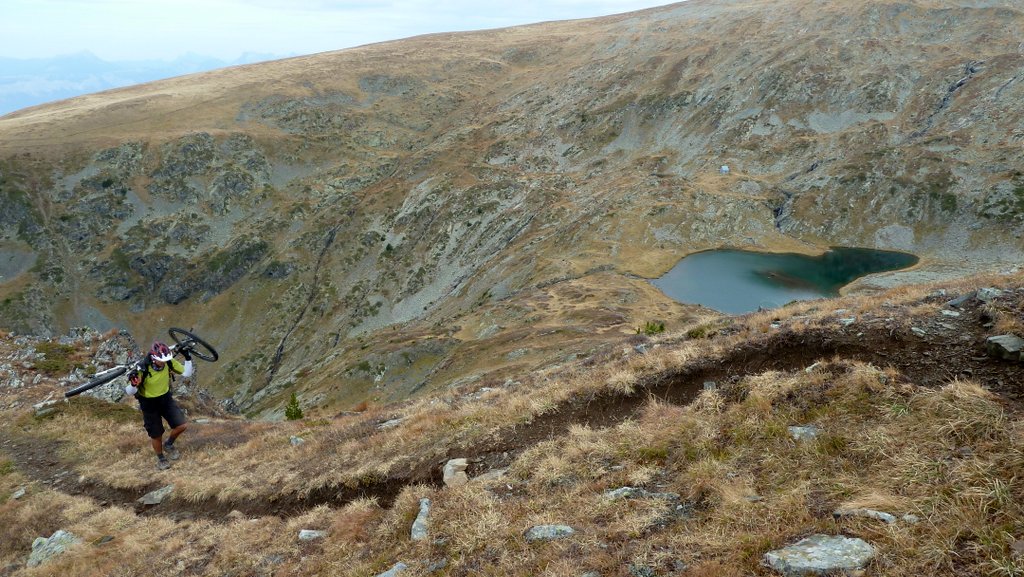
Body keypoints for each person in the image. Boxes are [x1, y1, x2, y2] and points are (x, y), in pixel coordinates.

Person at [125, 341, 193, 470]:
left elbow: (186, 373)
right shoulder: (142, 369)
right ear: (154, 358)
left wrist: (188, 358)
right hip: (149, 403)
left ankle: (169, 444)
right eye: (161, 360)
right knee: (156, 434)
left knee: (182, 425)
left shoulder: (168, 362)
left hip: (165, 398)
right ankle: (161, 458)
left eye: (166, 360)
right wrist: (134, 384)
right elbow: (129, 392)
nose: (164, 363)